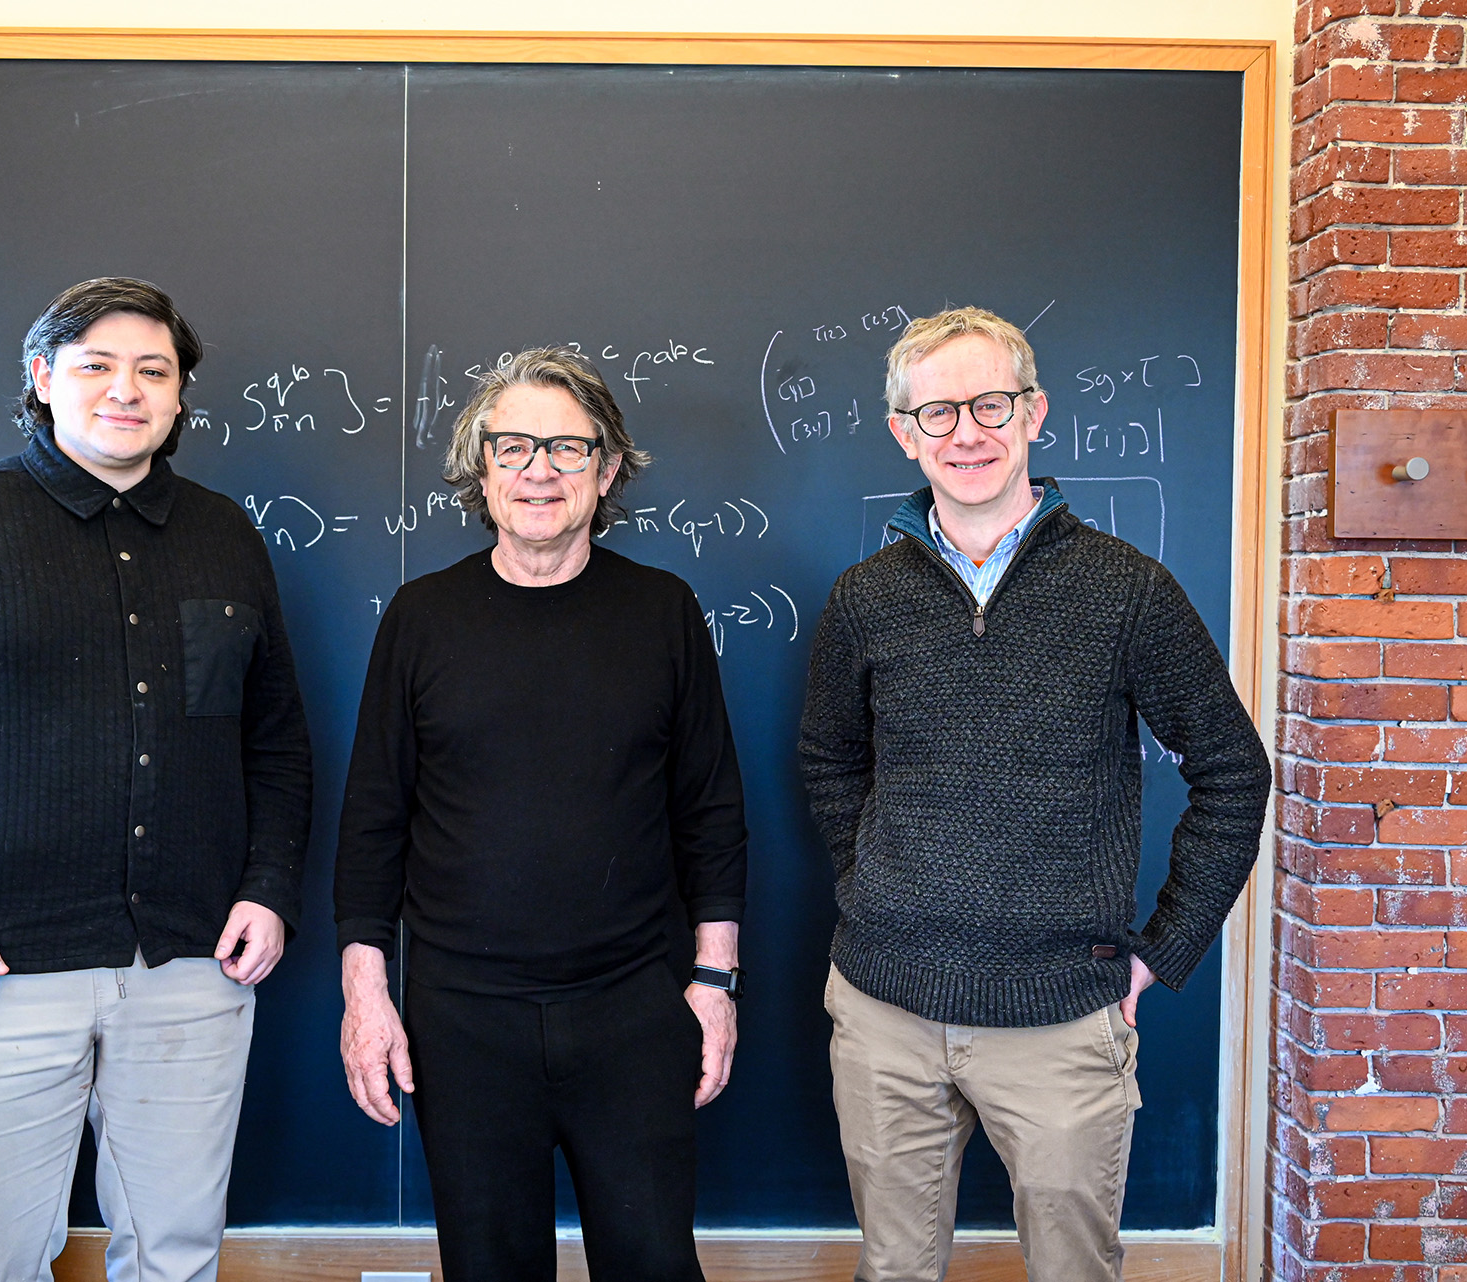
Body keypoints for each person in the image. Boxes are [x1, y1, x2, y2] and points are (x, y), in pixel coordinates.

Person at [0, 277, 313, 1282]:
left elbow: (277, 740)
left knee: (174, 1253)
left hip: (192, 962)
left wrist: (267, 886)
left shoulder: (225, 536)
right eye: (96, 365)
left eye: (152, 371)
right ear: (43, 379)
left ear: (179, 399)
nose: (124, 389)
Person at [798, 306, 1269, 1282]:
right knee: (893, 1271)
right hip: (886, 1008)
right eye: (937, 411)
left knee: (1074, 1272)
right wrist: (871, 887)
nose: (965, 431)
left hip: (1062, 1016)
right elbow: (830, 761)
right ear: (903, 430)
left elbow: (1233, 771)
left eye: (989, 403)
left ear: (1033, 412)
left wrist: (1164, 949)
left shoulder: (1126, 591)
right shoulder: (865, 598)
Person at [334, 347, 748, 1282]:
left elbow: (711, 814)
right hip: (462, 1019)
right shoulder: (421, 617)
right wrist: (367, 997)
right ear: (480, 467)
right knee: (488, 1268)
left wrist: (714, 986)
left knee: (652, 1265)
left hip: (634, 1009)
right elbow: (371, 821)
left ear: (607, 472)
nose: (539, 470)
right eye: (514, 446)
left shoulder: (663, 612)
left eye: (568, 449)